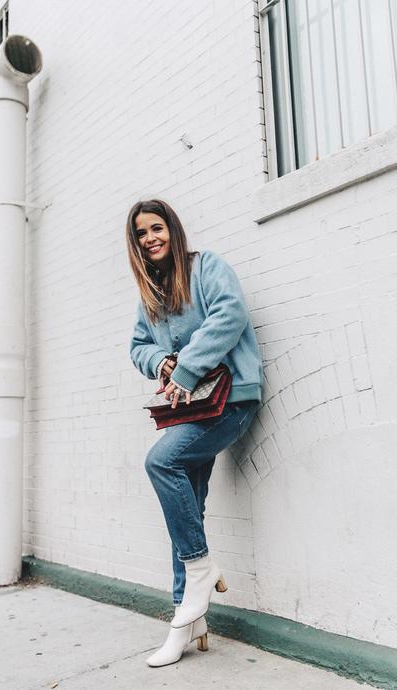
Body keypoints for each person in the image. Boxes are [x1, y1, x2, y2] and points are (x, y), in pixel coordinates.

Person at [126, 199, 263, 667]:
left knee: (160, 462)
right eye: (141, 234)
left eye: (156, 228)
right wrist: (159, 362)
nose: (150, 238)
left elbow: (231, 314)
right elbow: (137, 347)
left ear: (172, 229)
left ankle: (200, 573)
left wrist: (185, 367)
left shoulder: (206, 268)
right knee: (187, 514)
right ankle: (189, 620)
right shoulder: (152, 295)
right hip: (193, 410)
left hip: (232, 401)